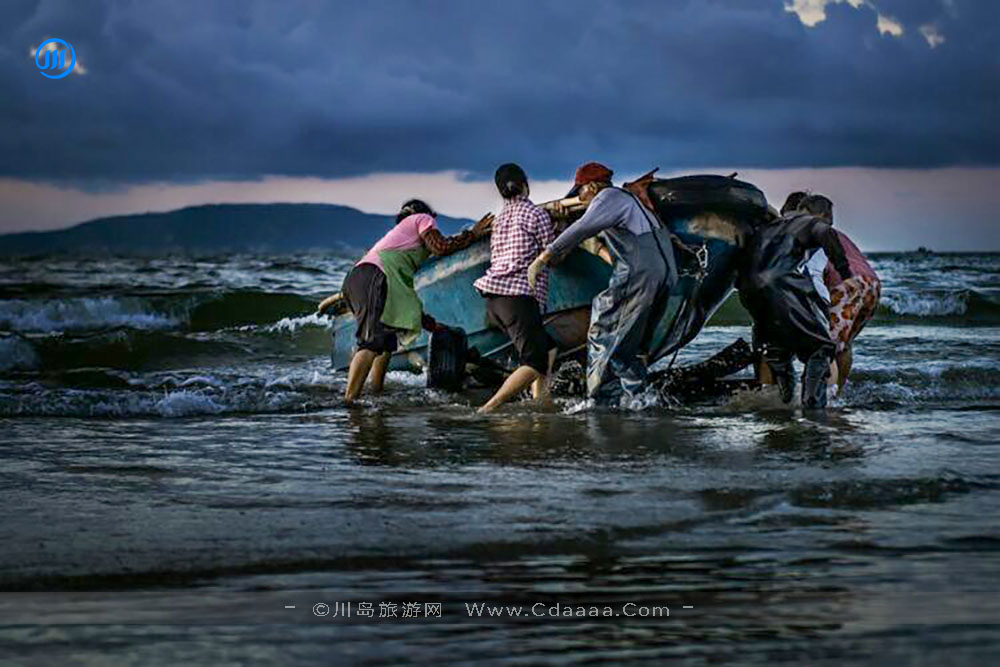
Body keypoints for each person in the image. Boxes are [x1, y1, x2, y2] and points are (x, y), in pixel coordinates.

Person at [527, 161, 678, 405]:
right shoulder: (628, 200)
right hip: (666, 275)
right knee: (631, 346)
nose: (580, 197)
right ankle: (638, 397)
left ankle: (598, 401)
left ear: (592, 186)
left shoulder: (607, 198)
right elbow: (594, 238)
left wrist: (543, 257)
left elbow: (581, 229)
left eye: (581, 191)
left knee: (603, 331)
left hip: (639, 274)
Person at [320, 199, 492, 404]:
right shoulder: (421, 218)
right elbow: (441, 247)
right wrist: (473, 234)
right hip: (372, 277)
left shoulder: (400, 241)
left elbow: (407, 301)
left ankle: (376, 391)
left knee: (387, 340)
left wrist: (430, 325)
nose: (432, 226)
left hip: (360, 279)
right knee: (372, 342)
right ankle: (350, 401)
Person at [738, 193, 853, 409]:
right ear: (822, 214)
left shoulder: (770, 225)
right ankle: (813, 405)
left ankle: (784, 400)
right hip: (780, 285)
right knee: (821, 348)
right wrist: (846, 273)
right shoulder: (809, 222)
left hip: (748, 289)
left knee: (777, 350)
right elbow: (824, 232)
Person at [473, 163, 557, 413]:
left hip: (494, 299)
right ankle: (488, 408)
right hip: (517, 297)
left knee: (548, 347)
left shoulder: (499, 220)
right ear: (525, 185)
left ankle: (540, 402)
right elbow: (552, 253)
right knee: (534, 360)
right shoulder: (536, 214)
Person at [823, 227, 881, 391]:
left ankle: (828, 397)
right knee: (844, 343)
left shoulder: (807, 231)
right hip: (871, 283)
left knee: (828, 345)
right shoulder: (836, 233)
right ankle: (840, 391)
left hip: (845, 285)